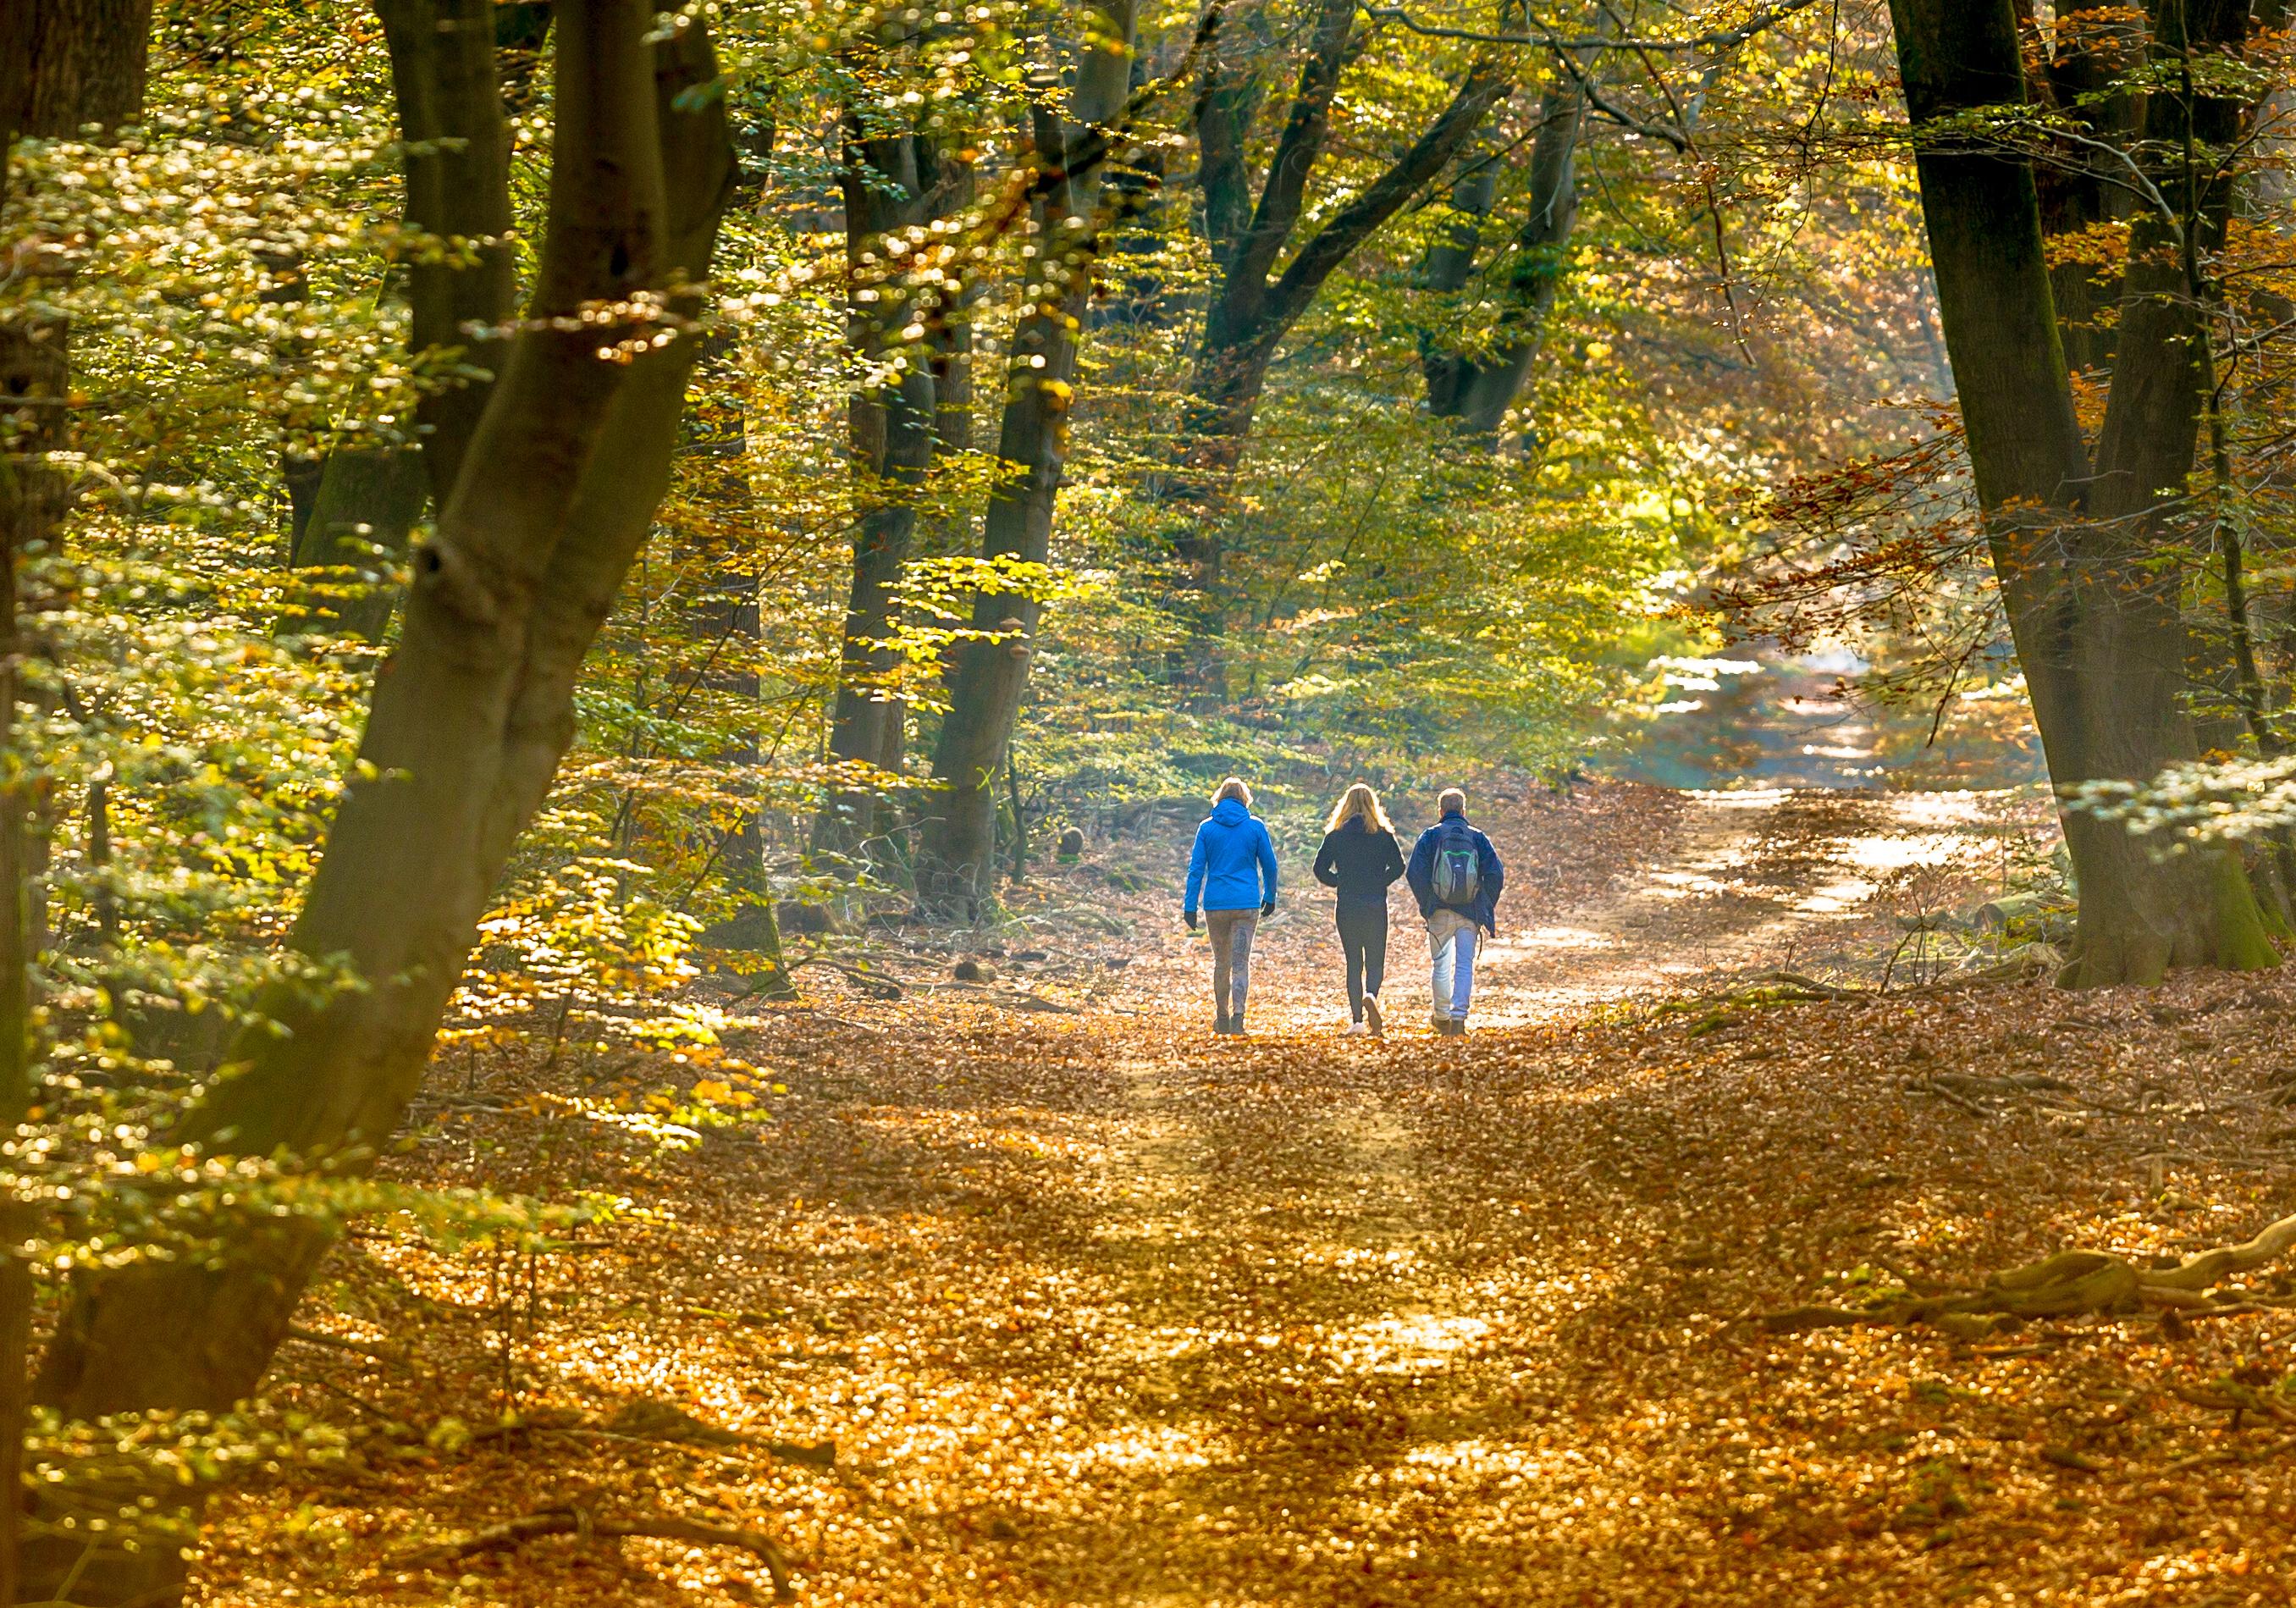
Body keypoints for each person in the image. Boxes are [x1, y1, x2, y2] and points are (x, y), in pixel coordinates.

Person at [1183, 776, 1279, 1036]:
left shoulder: (1207, 828)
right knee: (1240, 963)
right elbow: (1270, 866)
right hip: (1246, 904)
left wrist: (1189, 906)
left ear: (1219, 797)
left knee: (1221, 963)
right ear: (1244, 798)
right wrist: (1270, 897)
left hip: (1216, 905)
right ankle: (1239, 1019)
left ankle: (1221, 1019)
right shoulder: (1255, 827)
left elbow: (1196, 870)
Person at [1405, 787, 1504, 1036]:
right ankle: (1459, 1019)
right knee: (1463, 965)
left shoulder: (1430, 836)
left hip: (1438, 911)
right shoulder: (1478, 837)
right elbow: (1495, 874)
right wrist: (1482, 905)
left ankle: (1441, 1017)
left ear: (1440, 811)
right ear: (1463, 811)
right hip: (1469, 912)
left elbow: (1414, 873)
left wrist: (1428, 904)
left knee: (1440, 964)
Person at [1314, 783, 1405, 1036]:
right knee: (1375, 961)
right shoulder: (1384, 836)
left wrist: (1340, 882)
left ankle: (1357, 1021)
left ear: (1345, 805)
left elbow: (1319, 869)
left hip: (1347, 905)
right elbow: (1399, 866)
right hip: (1375, 904)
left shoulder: (1336, 836)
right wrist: (1379, 881)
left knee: (1354, 962)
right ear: (1373, 805)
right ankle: (1371, 995)